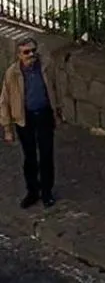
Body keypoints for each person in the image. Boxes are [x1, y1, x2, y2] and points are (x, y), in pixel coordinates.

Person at [1, 35, 61, 208]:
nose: (31, 55)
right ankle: (33, 192)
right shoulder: (12, 73)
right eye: (26, 52)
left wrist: (58, 111)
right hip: (24, 118)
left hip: (44, 115)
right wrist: (7, 128)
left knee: (46, 155)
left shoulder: (45, 66)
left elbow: (55, 88)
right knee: (30, 157)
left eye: (33, 51)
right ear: (19, 55)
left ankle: (47, 192)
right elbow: (4, 101)